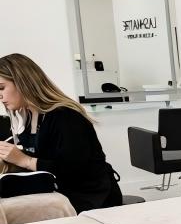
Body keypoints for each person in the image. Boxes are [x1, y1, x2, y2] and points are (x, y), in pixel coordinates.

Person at [0, 53, 122, 212]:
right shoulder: (29, 117)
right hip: (60, 192)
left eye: (2, 88)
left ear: (24, 83)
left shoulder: (66, 117)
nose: (0, 95)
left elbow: (72, 171)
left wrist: (24, 160)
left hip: (92, 198)